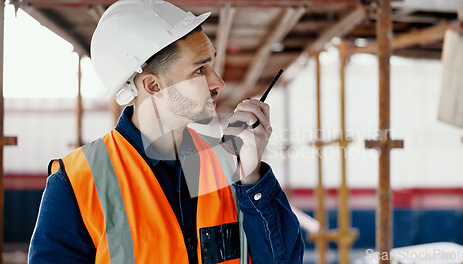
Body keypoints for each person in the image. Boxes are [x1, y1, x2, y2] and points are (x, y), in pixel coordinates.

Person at [28, 0, 304, 263]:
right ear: (153, 85)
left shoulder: (227, 164)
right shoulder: (77, 182)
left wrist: (252, 177)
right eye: (200, 70)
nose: (217, 81)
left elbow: (285, 260)